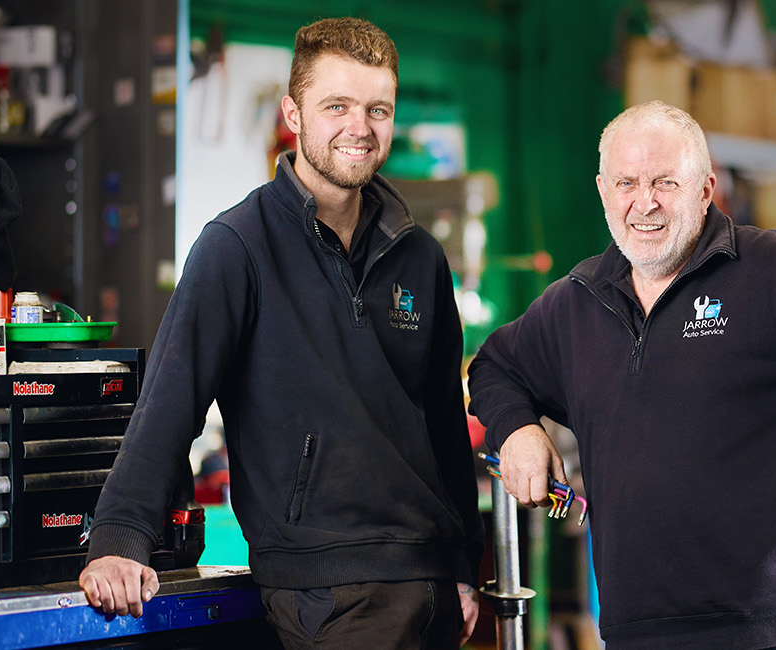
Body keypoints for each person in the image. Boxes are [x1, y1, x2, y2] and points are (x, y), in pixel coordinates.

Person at [467, 101, 776, 650]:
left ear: (705, 190)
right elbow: (495, 365)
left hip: (768, 625)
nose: (644, 203)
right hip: (637, 631)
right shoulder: (576, 303)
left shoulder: (775, 272)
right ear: (604, 191)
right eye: (626, 183)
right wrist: (517, 431)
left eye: (665, 182)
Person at [80, 17, 483, 649]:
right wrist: (118, 538)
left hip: (432, 586)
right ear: (294, 113)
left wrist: (463, 566)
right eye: (337, 106)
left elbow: (442, 427)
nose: (361, 127)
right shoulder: (236, 246)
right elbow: (170, 401)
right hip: (328, 591)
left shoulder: (420, 257)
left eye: (379, 108)